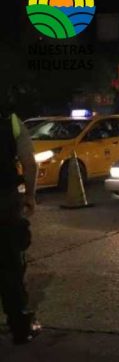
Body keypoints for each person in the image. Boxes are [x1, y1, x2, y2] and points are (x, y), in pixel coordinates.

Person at [0, 97, 40, 344]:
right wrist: (31, 196)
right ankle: (20, 327)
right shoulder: (10, 121)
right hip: (3, 202)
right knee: (10, 267)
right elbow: (29, 163)